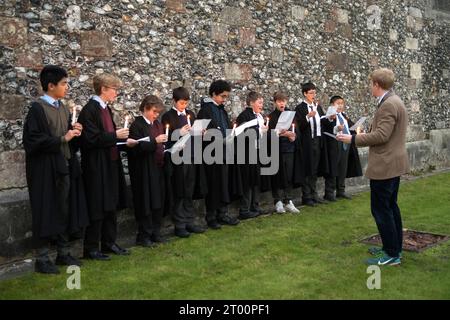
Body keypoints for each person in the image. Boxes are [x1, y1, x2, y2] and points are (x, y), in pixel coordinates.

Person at [337, 68, 410, 266]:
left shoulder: (388, 105)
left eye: (371, 84)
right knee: (390, 207)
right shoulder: (394, 100)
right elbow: (385, 132)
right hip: (393, 162)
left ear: (377, 85)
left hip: (386, 165)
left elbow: (382, 136)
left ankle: (392, 254)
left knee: (381, 209)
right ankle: (392, 247)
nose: (370, 87)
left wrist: (353, 138)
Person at [23, 65, 89, 274]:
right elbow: (33, 141)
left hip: (64, 167)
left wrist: (74, 132)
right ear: (50, 86)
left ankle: (63, 252)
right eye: (63, 84)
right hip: (45, 171)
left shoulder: (62, 107)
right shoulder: (37, 109)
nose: (67, 87)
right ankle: (42, 258)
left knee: (64, 209)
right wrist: (63, 138)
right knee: (45, 210)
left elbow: (66, 139)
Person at [78, 73, 134, 260]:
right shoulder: (90, 110)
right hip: (96, 166)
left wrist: (123, 140)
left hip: (110, 163)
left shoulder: (105, 109)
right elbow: (90, 139)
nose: (116, 94)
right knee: (98, 206)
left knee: (111, 204)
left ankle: (109, 242)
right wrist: (115, 136)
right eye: (114, 89)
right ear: (103, 89)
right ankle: (91, 248)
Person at [161, 87, 206, 238]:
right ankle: (179, 224)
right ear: (174, 101)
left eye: (186, 103)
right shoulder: (168, 116)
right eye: (181, 103)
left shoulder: (191, 114)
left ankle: (189, 221)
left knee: (189, 191)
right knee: (179, 191)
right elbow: (166, 138)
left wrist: (200, 132)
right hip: (178, 159)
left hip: (191, 156)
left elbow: (195, 133)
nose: (184, 106)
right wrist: (178, 133)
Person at [196, 80, 240, 229]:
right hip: (211, 153)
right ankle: (211, 216)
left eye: (226, 97)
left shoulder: (222, 110)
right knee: (213, 185)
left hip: (224, 152)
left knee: (224, 184)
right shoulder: (205, 111)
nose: (224, 99)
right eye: (222, 96)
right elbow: (199, 133)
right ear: (213, 94)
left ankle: (223, 213)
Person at [128, 95, 169, 246]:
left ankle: (155, 232)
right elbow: (136, 147)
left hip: (158, 167)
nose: (156, 115)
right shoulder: (137, 126)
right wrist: (155, 141)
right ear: (145, 109)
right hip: (144, 170)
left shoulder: (157, 124)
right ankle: (144, 235)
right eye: (154, 111)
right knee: (146, 202)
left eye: (158, 112)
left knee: (158, 201)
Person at [235, 91, 268, 220]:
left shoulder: (259, 116)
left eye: (262, 103)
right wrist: (260, 130)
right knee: (247, 181)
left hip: (257, 151)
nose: (261, 105)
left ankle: (255, 206)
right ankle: (244, 209)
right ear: (251, 102)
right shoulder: (244, 116)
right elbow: (243, 134)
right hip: (246, 153)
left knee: (255, 180)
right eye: (259, 102)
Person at [322, 96, 362, 201]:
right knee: (333, 168)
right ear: (331, 105)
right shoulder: (328, 117)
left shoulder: (344, 116)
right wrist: (336, 126)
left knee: (343, 168)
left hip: (345, 144)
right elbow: (327, 125)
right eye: (337, 103)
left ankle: (341, 191)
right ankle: (329, 193)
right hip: (334, 145)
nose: (340, 105)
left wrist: (357, 129)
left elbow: (350, 128)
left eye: (342, 103)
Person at [294, 82, 329, 207]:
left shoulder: (317, 107)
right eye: (311, 93)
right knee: (307, 169)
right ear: (305, 94)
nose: (313, 95)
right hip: (307, 142)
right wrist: (308, 116)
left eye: (314, 92)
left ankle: (314, 194)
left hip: (318, 140)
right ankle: (306, 196)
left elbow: (321, 123)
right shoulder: (300, 108)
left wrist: (328, 118)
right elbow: (298, 126)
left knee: (315, 169)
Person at [268, 92, 300, 214]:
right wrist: (283, 134)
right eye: (279, 101)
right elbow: (269, 134)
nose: (282, 103)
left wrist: (294, 136)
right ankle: (278, 201)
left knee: (289, 175)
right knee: (277, 176)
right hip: (277, 150)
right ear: (275, 103)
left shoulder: (291, 115)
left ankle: (288, 200)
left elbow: (296, 130)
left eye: (284, 101)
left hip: (289, 149)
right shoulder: (272, 117)